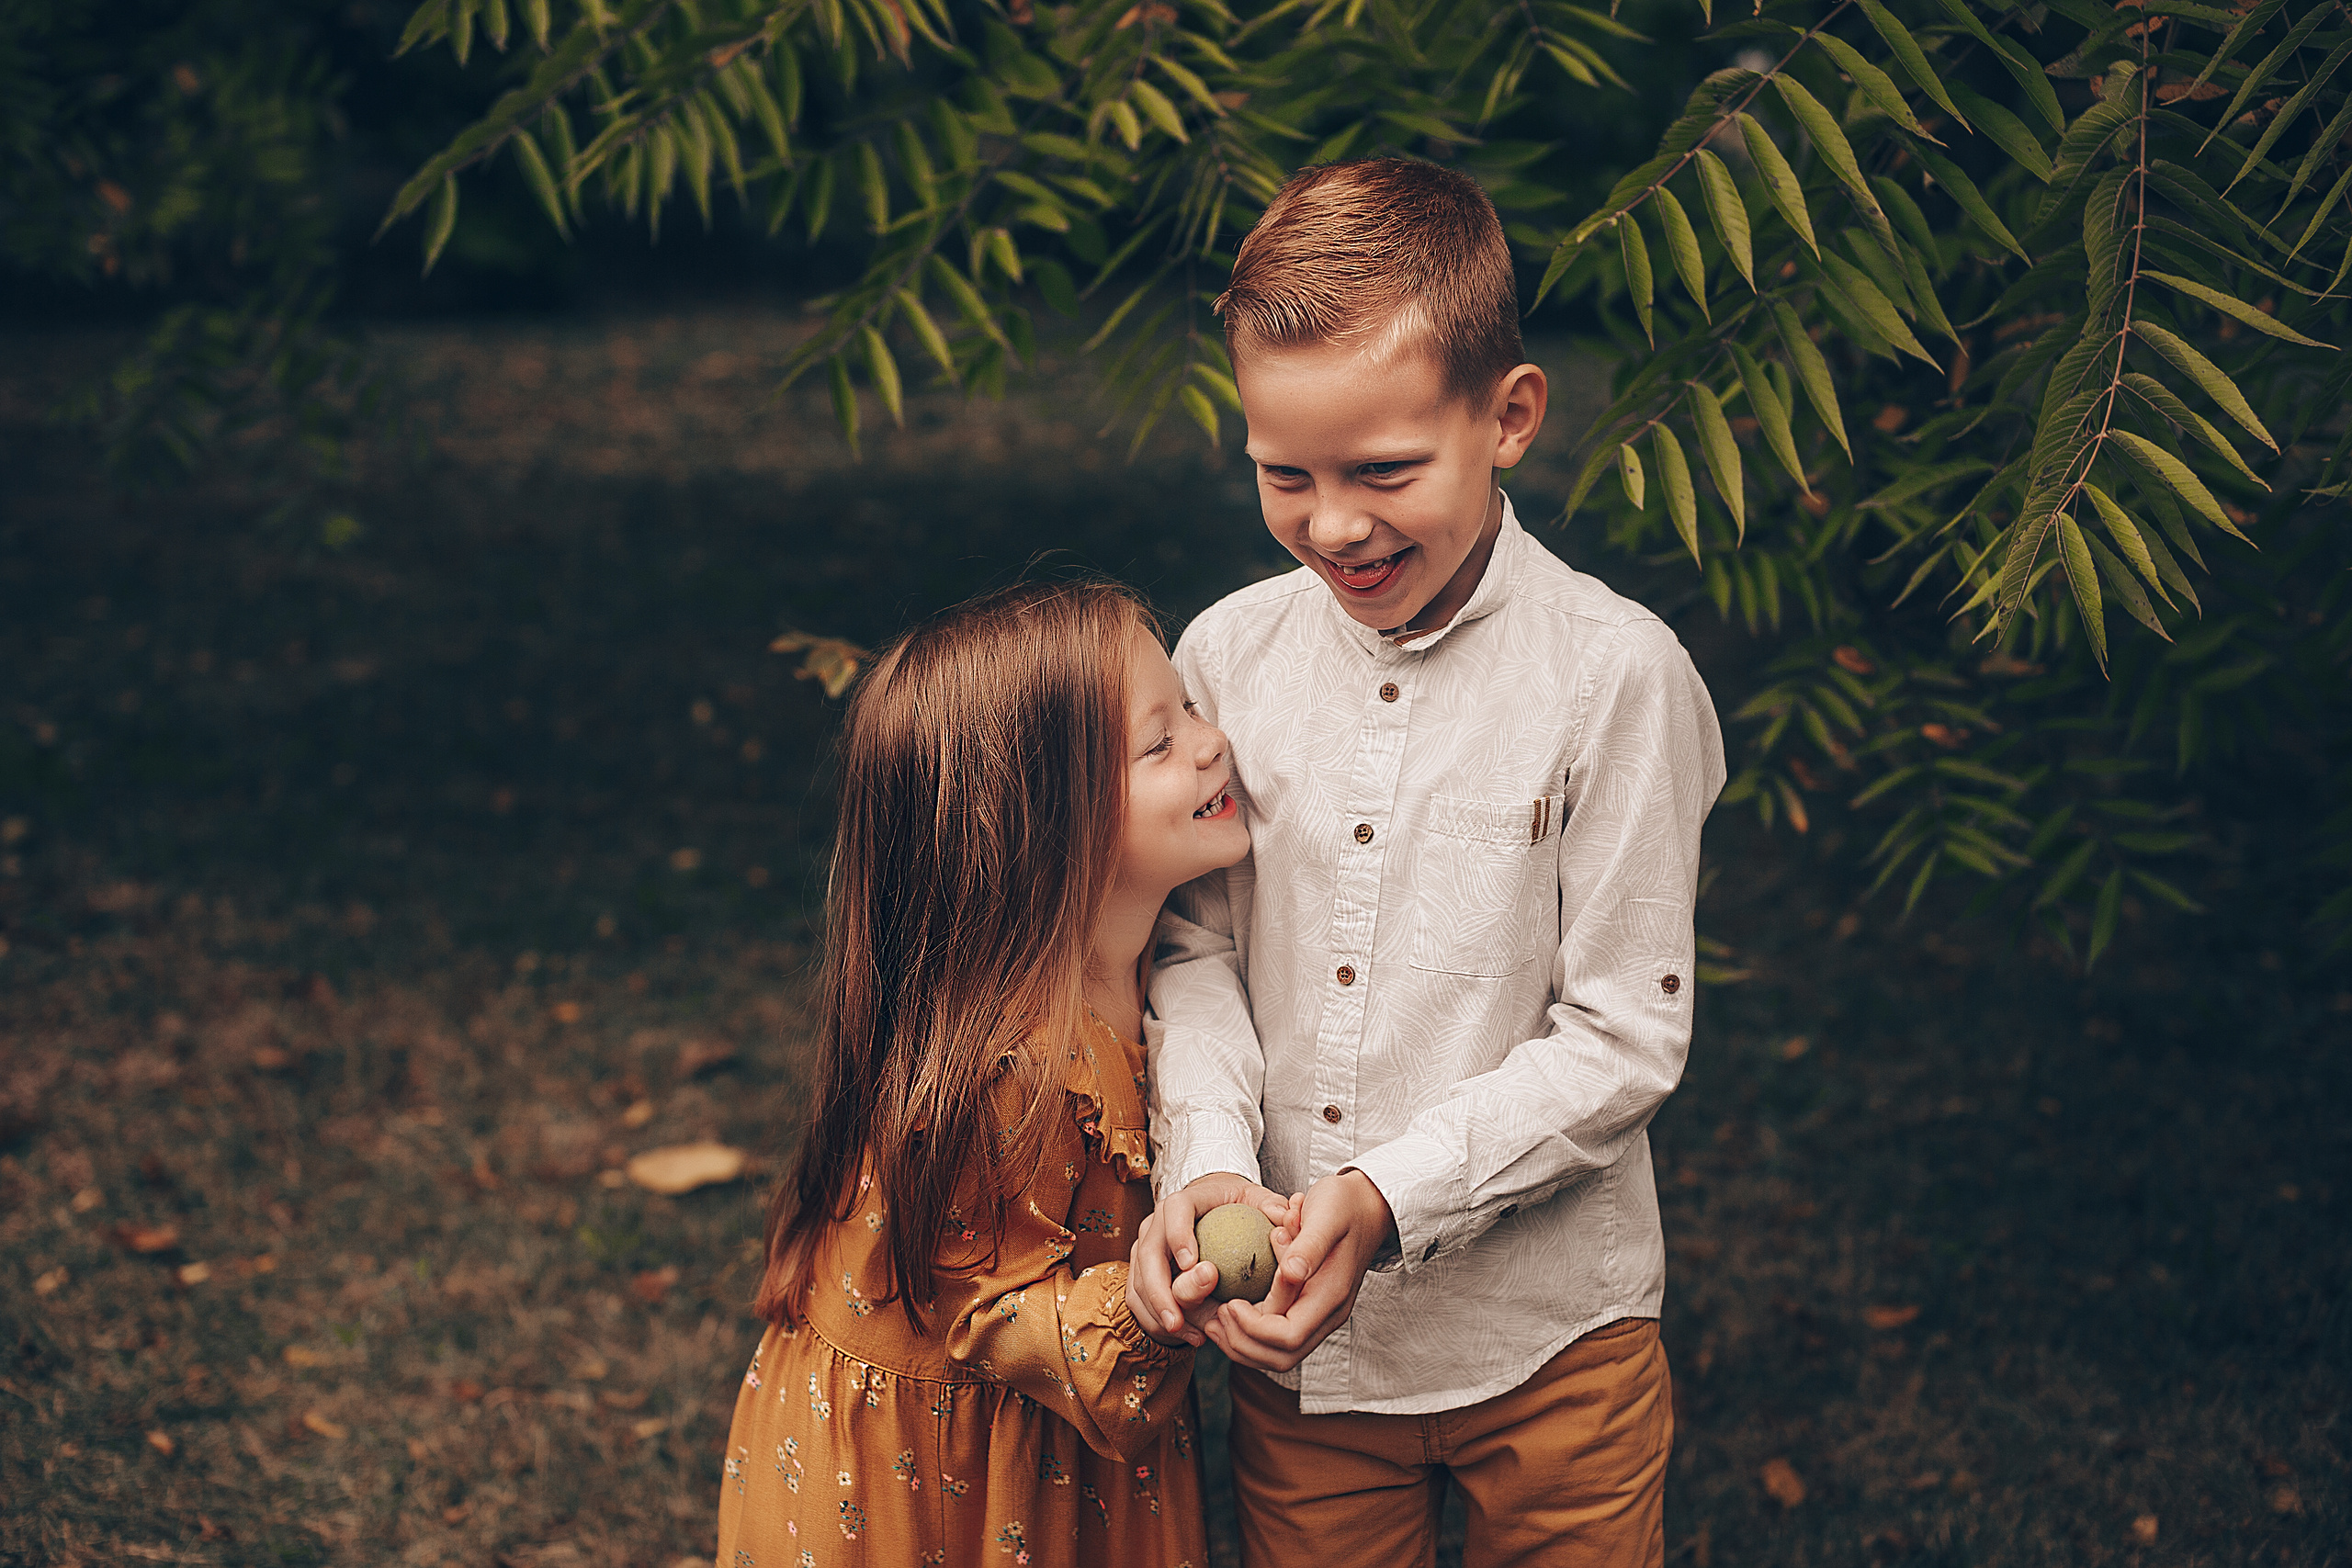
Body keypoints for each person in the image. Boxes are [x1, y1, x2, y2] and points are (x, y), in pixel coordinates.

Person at [1127, 158, 1727, 1568]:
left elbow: (1627, 1032)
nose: (1334, 522)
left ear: (1508, 415)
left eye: (1383, 470)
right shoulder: (1224, 654)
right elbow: (1195, 946)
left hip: (1553, 1341)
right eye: (1288, 473)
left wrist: (1392, 1191)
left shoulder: (1615, 677)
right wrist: (1209, 1164)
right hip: (1304, 1367)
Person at [719, 581, 1268, 1568]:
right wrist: (1162, 1304)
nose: (1209, 741)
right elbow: (989, 1317)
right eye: (1157, 743)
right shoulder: (1011, 1071)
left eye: (1187, 706)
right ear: (1039, 824)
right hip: (938, 1482)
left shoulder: (1138, 974)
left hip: (1034, 1443)